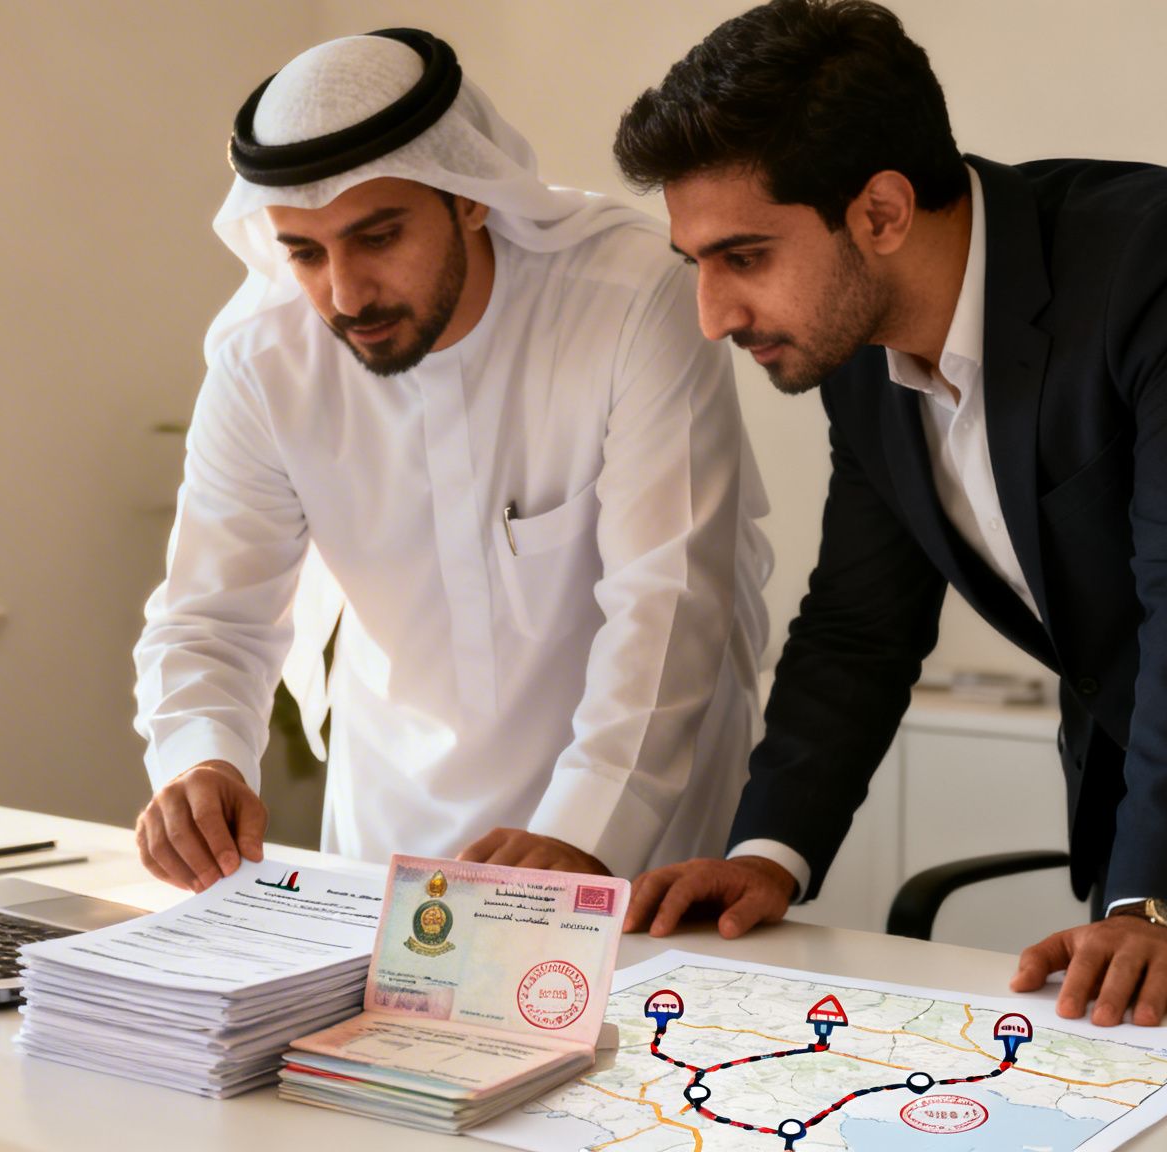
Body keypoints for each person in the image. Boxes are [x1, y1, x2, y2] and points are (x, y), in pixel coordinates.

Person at [613, 0, 1167, 1023]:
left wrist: (1164, 902)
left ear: (880, 212)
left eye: (744, 257)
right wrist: (768, 852)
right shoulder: (858, 359)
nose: (713, 315)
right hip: (1152, 834)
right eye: (697, 266)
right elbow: (859, 623)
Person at [132, 29, 772, 892]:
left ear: (470, 197)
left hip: (631, 844)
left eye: (379, 236)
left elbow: (669, 599)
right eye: (306, 253)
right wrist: (198, 763)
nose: (345, 294)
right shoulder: (265, 359)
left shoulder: (630, 300)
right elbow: (212, 616)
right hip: (389, 845)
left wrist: (583, 835)